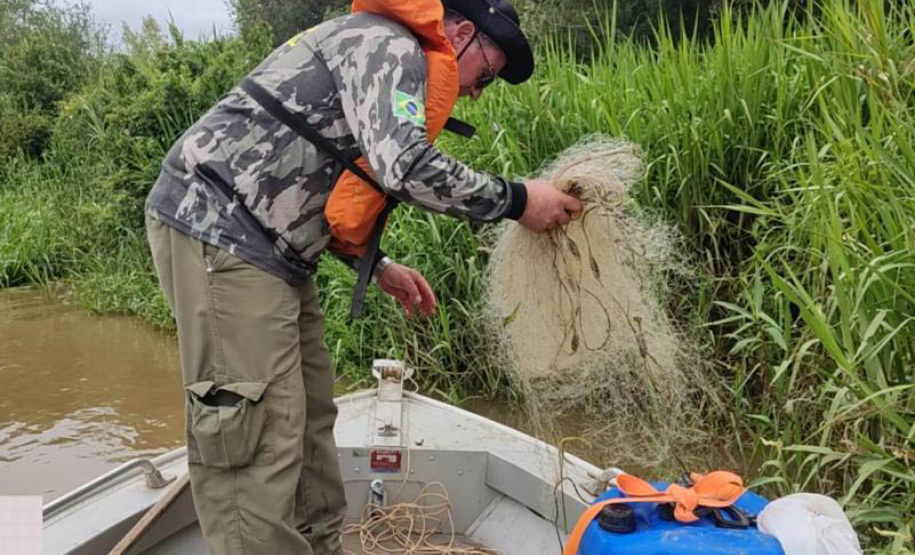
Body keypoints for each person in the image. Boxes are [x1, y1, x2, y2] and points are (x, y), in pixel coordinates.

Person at [143, 0, 582, 553]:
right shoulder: (390, 45)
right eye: (486, 76)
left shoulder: (389, 54)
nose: (475, 93)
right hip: (219, 234)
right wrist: (519, 201)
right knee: (253, 439)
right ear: (463, 33)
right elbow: (408, 166)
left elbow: (308, 180)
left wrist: (374, 265)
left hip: (275, 254)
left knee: (308, 417)